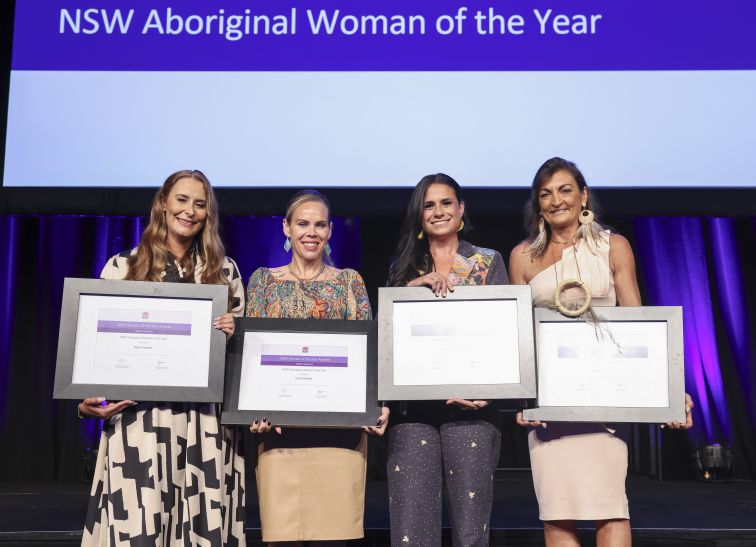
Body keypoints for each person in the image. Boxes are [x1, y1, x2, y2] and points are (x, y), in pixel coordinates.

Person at [509, 157, 694, 547]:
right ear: (537, 204)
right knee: (556, 514)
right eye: (545, 193)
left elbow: (638, 322)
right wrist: (524, 398)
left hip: (605, 398)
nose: (556, 200)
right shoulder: (521, 256)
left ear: (583, 196)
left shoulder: (614, 246)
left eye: (565, 190)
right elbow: (519, 336)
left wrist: (670, 391)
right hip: (552, 405)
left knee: (610, 508)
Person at [78, 169, 246, 545]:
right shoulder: (123, 267)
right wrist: (87, 400)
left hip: (206, 427)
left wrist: (235, 334)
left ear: (208, 213)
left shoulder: (225, 272)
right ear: (163, 204)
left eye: (200, 204)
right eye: (182, 200)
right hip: (140, 424)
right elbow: (96, 348)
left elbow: (237, 363)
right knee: (138, 528)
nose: (190, 211)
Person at [245, 189, 386, 546]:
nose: (311, 232)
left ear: (330, 231)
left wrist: (377, 405)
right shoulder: (262, 281)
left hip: (339, 439)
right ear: (286, 229)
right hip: (279, 439)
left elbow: (368, 354)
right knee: (283, 537)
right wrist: (250, 408)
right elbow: (250, 358)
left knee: (334, 538)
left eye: (320, 224)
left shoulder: (349, 282)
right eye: (302, 223)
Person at [385, 173, 508, 547]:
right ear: (418, 215)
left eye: (446, 203)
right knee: (411, 531)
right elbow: (388, 337)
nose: (438, 211)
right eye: (428, 205)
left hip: (471, 409)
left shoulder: (487, 261)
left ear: (461, 209)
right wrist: (410, 289)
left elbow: (503, 333)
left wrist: (490, 392)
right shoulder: (405, 266)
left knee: (471, 532)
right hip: (413, 412)